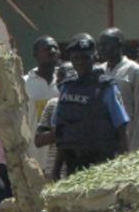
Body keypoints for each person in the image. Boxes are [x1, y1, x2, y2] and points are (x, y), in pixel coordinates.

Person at [53, 34, 129, 177]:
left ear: (94, 57)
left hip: (101, 164)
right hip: (73, 164)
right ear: (71, 60)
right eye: (76, 58)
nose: (81, 62)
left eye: (85, 57)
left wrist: (125, 166)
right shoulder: (66, 87)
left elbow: (121, 129)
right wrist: (56, 169)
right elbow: (62, 131)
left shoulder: (106, 87)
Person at [99, 28, 139, 153]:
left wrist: (137, 150)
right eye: (100, 45)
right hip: (103, 142)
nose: (102, 48)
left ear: (119, 44)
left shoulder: (135, 71)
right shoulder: (98, 71)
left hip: (127, 141)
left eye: (106, 44)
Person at [23, 36, 61, 175]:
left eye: (55, 48)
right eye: (46, 48)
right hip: (33, 154)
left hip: (60, 156)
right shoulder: (24, 83)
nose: (52, 51)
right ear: (35, 55)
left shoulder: (65, 80)